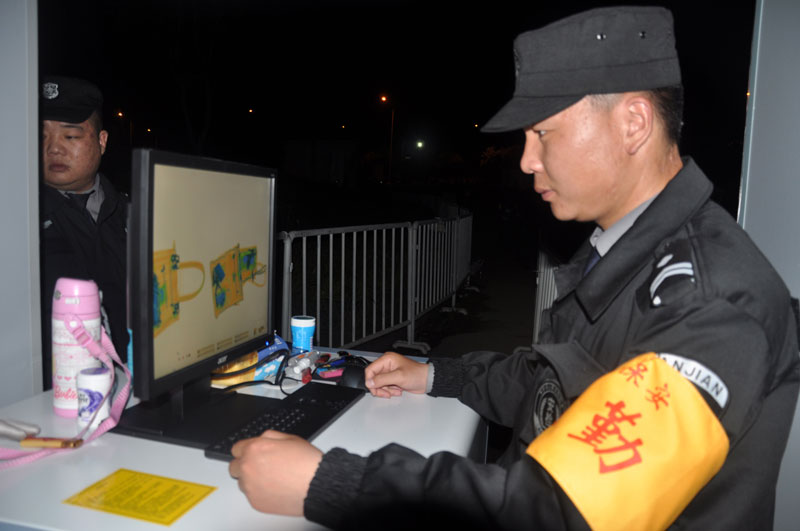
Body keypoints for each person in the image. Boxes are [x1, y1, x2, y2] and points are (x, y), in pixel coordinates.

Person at [229, 7, 800, 529]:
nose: (527, 161)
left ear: (633, 123)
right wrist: (438, 376)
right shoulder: (628, 249)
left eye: (543, 132)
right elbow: (557, 383)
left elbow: (559, 513)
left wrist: (332, 483)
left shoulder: (711, 306)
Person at [40, 76, 128, 389]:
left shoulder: (131, 215)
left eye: (70, 135)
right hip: (54, 394)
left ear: (102, 141)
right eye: (41, 136)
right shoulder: (20, 223)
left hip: (133, 389)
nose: (53, 148)